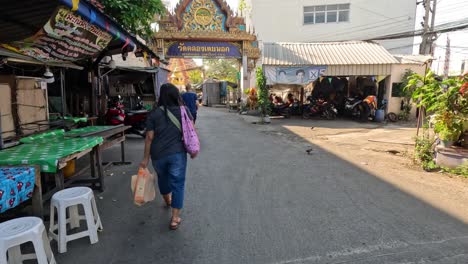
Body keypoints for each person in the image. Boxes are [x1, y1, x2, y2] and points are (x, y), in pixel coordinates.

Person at [140, 83, 195, 230]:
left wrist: (145, 159)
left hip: (158, 155)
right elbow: (191, 129)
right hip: (177, 153)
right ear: (176, 95)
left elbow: (149, 137)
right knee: (178, 183)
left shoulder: (154, 113)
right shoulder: (184, 111)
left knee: (163, 178)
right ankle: (175, 218)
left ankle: (167, 200)